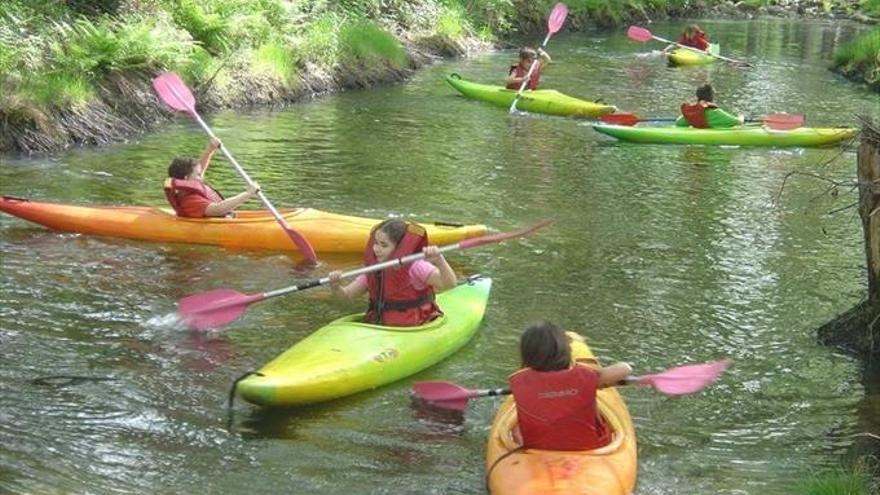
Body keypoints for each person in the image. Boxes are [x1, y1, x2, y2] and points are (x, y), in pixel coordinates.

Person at [508, 321, 632, 451]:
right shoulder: (585, 377)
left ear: (526, 355)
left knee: (518, 426)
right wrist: (596, 382)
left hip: (538, 450)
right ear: (565, 351)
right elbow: (625, 369)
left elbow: (517, 433)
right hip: (588, 449)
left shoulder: (520, 382)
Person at [328, 219, 457, 327]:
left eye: (384, 245)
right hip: (380, 325)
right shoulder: (374, 270)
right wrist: (335, 286)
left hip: (414, 326)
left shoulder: (416, 266)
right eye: (376, 243)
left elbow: (450, 284)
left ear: (399, 248)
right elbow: (346, 296)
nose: (376, 249)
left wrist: (439, 260)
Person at [164, 137, 260, 218]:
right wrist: (248, 194)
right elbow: (217, 209)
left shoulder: (192, 186)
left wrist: (210, 149)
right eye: (197, 174)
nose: (201, 176)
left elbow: (200, 166)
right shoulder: (190, 200)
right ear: (186, 179)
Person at [675, 84, 745, 129]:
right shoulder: (716, 112)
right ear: (712, 97)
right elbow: (737, 122)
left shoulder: (692, 111)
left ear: (697, 96)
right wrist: (741, 117)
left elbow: (678, 123)